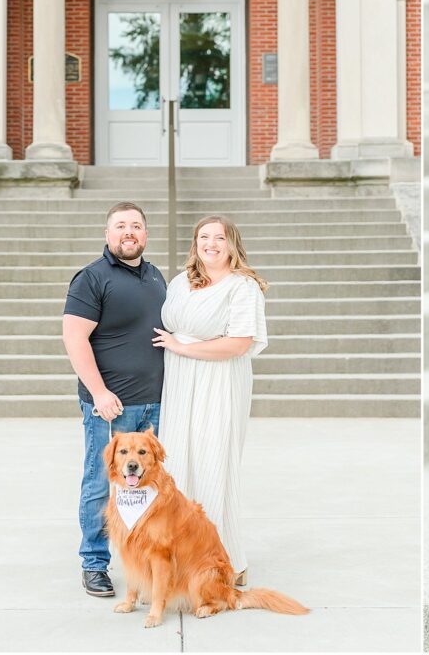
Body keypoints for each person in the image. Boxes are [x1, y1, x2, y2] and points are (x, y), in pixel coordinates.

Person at [152, 215, 268, 586]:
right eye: (204, 237)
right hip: (181, 381)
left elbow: (239, 343)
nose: (211, 244)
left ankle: (225, 560)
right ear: (195, 243)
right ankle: (183, 558)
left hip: (219, 380)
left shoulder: (242, 287)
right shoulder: (179, 282)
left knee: (213, 463)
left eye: (220, 237)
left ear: (232, 244)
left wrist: (180, 346)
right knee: (180, 464)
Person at [62, 202, 168, 597]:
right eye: (121, 225)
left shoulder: (156, 277)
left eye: (136, 225)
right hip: (111, 408)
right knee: (100, 483)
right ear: (108, 234)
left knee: (147, 486)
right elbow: (75, 339)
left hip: (155, 406)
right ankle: (94, 563)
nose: (129, 232)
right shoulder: (91, 278)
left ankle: (142, 561)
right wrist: (99, 393)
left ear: (145, 234)